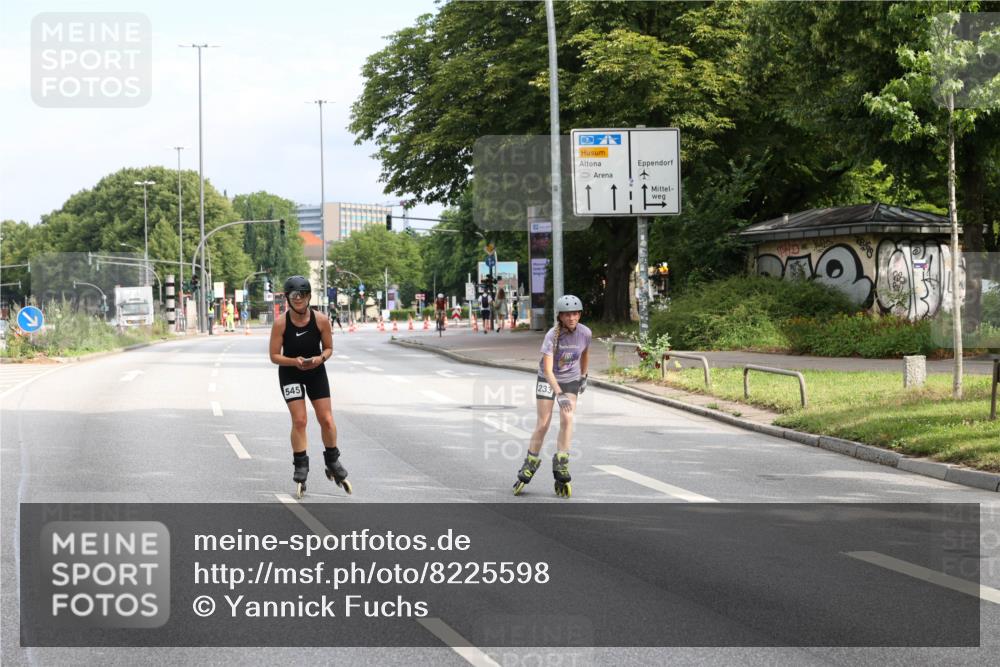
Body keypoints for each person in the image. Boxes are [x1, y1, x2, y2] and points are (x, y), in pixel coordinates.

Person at [269, 275, 351, 498]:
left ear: (308, 297)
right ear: (287, 298)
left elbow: (329, 348)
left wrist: (319, 359)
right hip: (290, 372)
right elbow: (274, 356)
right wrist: (294, 361)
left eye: (302, 295)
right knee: (300, 420)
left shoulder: (321, 320)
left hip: (315, 371)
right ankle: (300, 466)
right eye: (294, 296)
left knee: (326, 419)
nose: (298, 299)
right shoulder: (281, 324)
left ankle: (332, 461)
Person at [513, 294, 591, 498]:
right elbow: (548, 371)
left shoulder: (585, 333)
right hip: (548, 380)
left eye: (575, 314)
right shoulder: (551, 336)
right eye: (567, 315)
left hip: (571, 379)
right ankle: (529, 464)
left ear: (579, 314)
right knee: (543, 423)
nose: (572, 318)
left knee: (567, 418)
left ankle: (561, 464)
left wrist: (584, 376)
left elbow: (584, 354)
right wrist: (559, 394)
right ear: (560, 317)